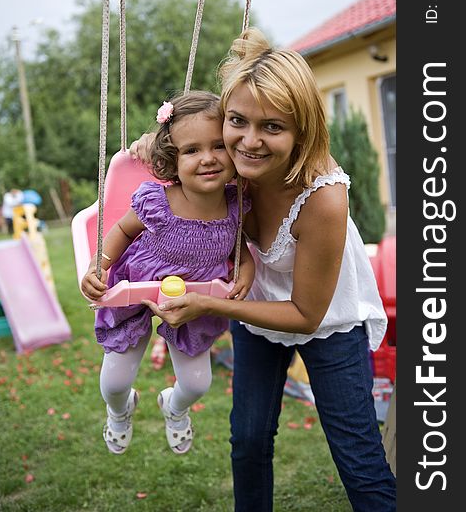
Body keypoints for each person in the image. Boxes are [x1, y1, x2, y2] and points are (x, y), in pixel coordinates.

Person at [134, 28, 396, 511]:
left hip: (327, 321)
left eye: (273, 127)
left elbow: (307, 315)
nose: (249, 142)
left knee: (357, 455)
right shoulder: (231, 162)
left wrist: (209, 304)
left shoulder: (323, 198)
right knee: (249, 440)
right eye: (237, 122)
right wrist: (156, 143)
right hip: (259, 310)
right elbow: (188, 150)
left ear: (302, 131)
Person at [82, 90, 254, 456]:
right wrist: (100, 264)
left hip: (194, 298)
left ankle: (173, 408)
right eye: (191, 150)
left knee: (196, 384)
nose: (207, 159)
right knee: (115, 380)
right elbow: (123, 230)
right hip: (137, 287)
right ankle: (119, 409)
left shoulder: (236, 202)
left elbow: (242, 246)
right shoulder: (157, 200)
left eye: (217, 146)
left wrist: (246, 270)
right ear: (171, 160)